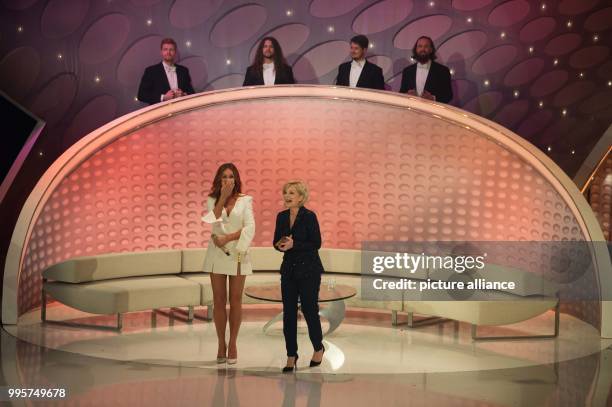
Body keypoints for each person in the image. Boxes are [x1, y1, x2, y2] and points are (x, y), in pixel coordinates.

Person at [202, 163, 255, 365]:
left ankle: (232, 343)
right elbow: (212, 221)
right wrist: (222, 197)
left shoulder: (245, 200)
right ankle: (220, 344)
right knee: (218, 301)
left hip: (238, 252)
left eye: (230, 176)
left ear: (236, 179)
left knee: (235, 300)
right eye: (223, 177)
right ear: (219, 180)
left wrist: (228, 238)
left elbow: (250, 227)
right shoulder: (212, 200)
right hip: (216, 253)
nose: (227, 180)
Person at [273, 181, 325, 372]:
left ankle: (318, 347)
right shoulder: (281, 217)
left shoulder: (310, 216)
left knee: (310, 311)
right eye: (285, 192)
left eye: (292, 193)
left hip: (309, 270)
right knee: (289, 313)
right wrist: (280, 245)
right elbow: (275, 242)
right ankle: (291, 354)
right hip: (289, 270)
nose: (287, 196)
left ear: (301, 197)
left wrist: (296, 245)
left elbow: (316, 243)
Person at [137, 38, 195, 105]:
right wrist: (163, 97)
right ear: (161, 51)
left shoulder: (183, 71)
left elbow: (192, 93)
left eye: (171, 50)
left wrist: (183, 95)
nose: (168, 52)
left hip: (181, 111)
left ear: (175, 52)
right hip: (161, 113)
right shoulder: (151, 71)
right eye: (165, 49)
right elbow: (141, 95)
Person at [399, 36, 453, 103]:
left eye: (426, 46)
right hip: (411, 110)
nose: (423, 49)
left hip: (432, 112)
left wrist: (433, 98)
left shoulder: (443, 71)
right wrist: (407, 95)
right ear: (416, 49)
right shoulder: (407, 71)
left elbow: (448, 95)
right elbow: (401, 93)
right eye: (420, 46)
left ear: (431, 49)